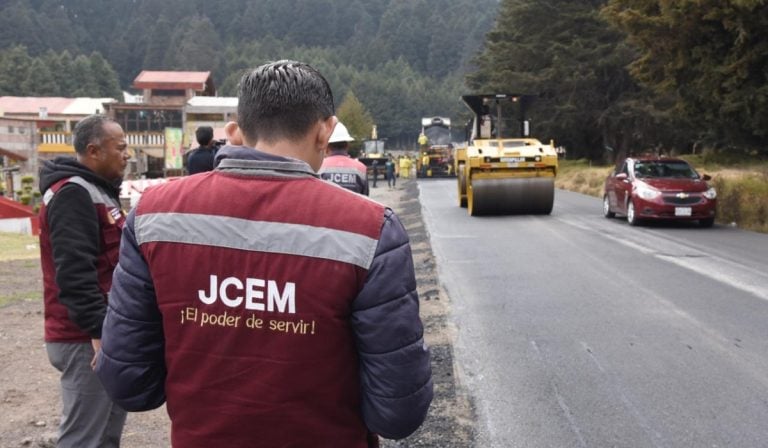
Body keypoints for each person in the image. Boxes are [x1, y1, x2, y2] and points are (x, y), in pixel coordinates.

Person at [96, 60, 433, 448]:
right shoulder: (370, 229)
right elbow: (399, 411)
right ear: (325, 130)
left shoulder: (155, 216)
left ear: (234, 132)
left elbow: (128, 381)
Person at [38, 114, 129, 448]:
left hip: (105, 332)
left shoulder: (97, 191)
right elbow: (75, 273)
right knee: (83, 438)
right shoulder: (73, 195)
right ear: (94, 151)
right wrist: (98, 331)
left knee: (106, 434)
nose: (127, 154)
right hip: (85, 340)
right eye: (119, 147)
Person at [318, 121, 369, 195]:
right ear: (347, 145)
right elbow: (365, 198)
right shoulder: (361, 168)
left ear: (327, 146)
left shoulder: (320, 167)